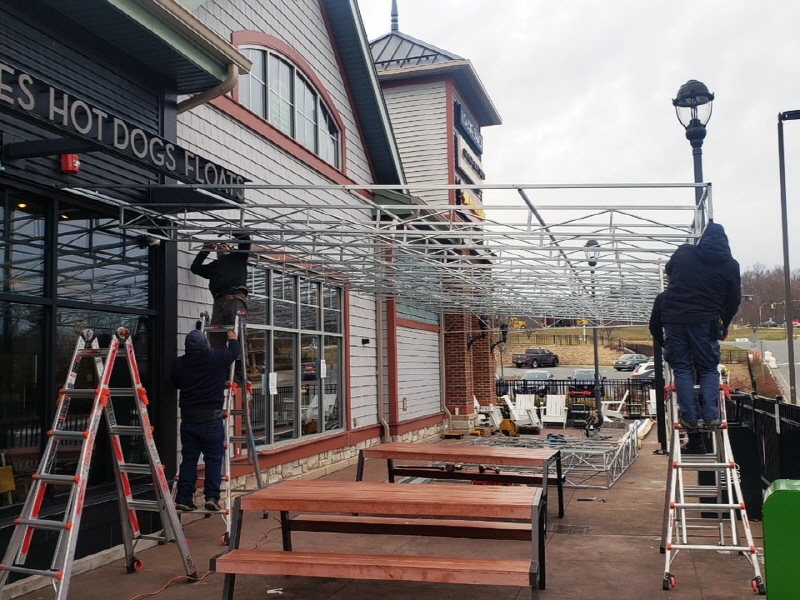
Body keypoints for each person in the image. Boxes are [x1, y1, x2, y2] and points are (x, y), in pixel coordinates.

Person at [660, 222, 741, 452]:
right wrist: (725, 323)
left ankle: (691, 419)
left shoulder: (685, 252)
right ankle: (712, 416)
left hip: (675, 319)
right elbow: (733, 300)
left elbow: (669, 271)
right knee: (707, 368)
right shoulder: (730, 265)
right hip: (706, 321)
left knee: (683, 369)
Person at [171, 328, 240, 511]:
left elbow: (176, 383)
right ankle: (211, 497)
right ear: (205, 344)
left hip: (188, 420)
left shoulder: (178, 364)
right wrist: (233, 338)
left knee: (189, 460)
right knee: (213, 459)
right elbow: (234, 352)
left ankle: (184, 498)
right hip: (211, 420)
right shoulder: (216, 359)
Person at [190, 232, 251, 349]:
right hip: (219, 302)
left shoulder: (238, 258)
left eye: (225, 245)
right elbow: (195, 268)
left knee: (237, 333)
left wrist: (228, 231)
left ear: (231, 249)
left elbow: (246, 239)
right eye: (219, 246)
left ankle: (239, 366)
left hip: (235, 299)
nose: (221, 246)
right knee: (216, 336)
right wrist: (205, 251)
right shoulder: (213, 266)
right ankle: (220, 364)